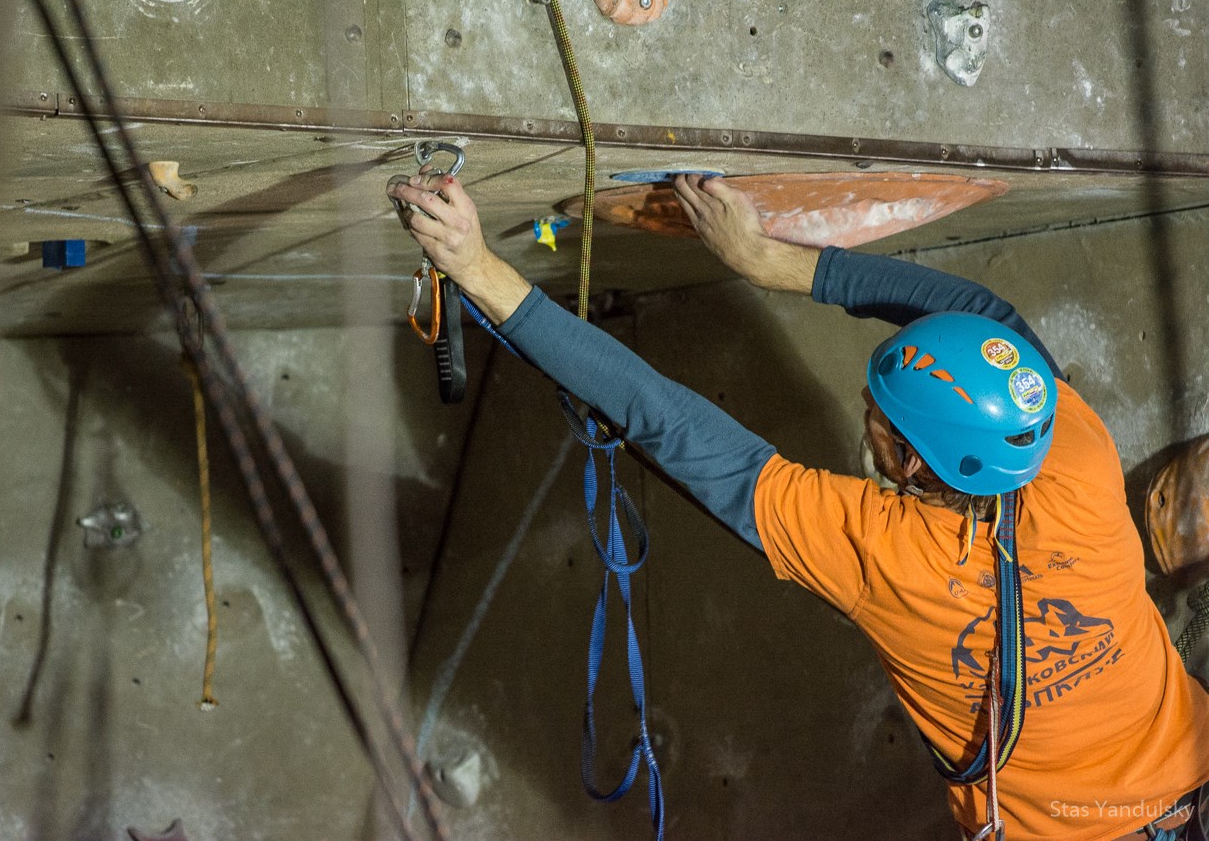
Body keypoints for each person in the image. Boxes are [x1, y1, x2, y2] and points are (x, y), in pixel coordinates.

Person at [387, 171, 1209, 840]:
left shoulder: (887, 554)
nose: (864, 409)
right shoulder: (1071, 454)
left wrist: (481, 270)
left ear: (906, 460)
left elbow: (674, 424)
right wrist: (770, 260)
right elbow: (989, 325)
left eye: (875, 414)